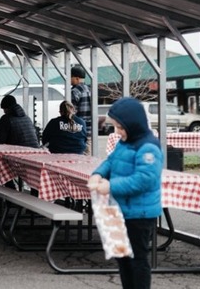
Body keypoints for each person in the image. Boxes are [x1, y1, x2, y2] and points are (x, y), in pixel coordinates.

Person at [88, 97, 162, 289]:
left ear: (133, 124)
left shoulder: (148, 147)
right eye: (115, 127)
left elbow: (144, 180)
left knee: (137, 259)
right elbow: (111, 161)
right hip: (119, 209)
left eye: (120, 127)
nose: (117, 132)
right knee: (122, 256)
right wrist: (97, 174)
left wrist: (110, 186)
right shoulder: (123, 142)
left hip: (140, 214)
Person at [71, 66, 92, 151]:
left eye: (70, 77)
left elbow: (71, 112)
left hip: (78, 129)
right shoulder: (90, 89)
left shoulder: (75, 91)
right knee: (87, 155)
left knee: (78, 156)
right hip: (90, 129)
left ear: (76, 78)